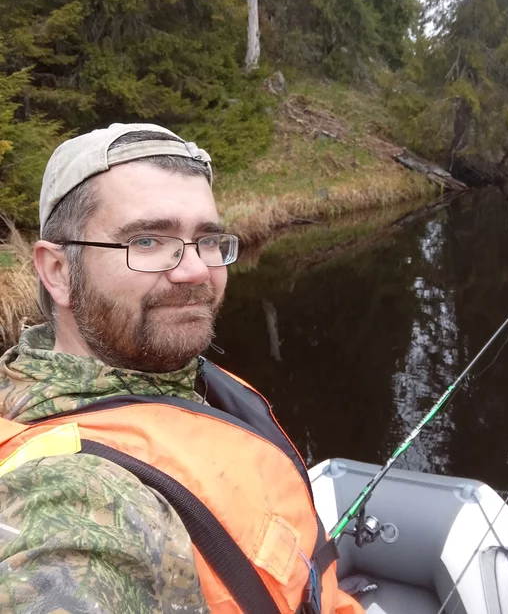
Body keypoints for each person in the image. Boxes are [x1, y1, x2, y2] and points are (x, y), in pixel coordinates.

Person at [0, 123, 364, 614]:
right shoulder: (67, 497)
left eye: (207, 240)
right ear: (58, 271)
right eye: (147, 241)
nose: (195, 270)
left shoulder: (170, 376)